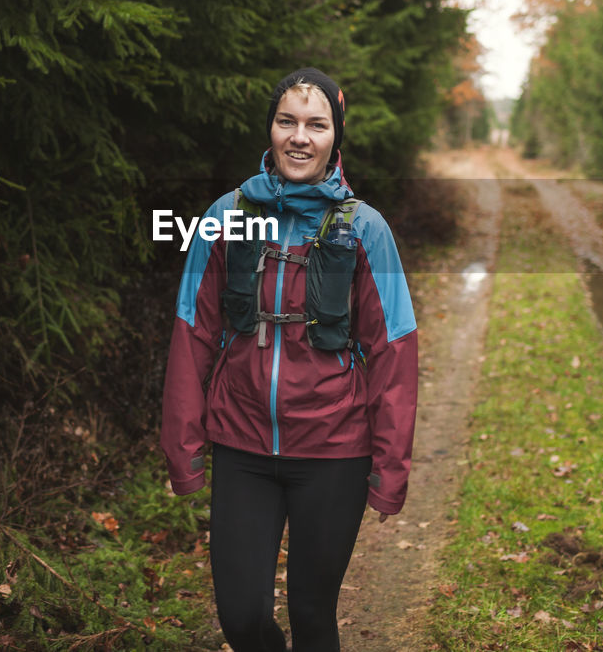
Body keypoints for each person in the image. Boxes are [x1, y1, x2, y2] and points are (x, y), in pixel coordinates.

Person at [160, 68, 419, 652]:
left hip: (334, 450)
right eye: (287, 121)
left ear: (335, 138)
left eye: (316, 124)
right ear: (271, 130)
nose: (299, 137)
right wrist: (183, 443)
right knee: (242, 615)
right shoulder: (223, 217)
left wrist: (391, 463)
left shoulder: (365, 228)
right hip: (241, 444)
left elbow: (393, 351)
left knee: (311, 611)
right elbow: (191, 333)